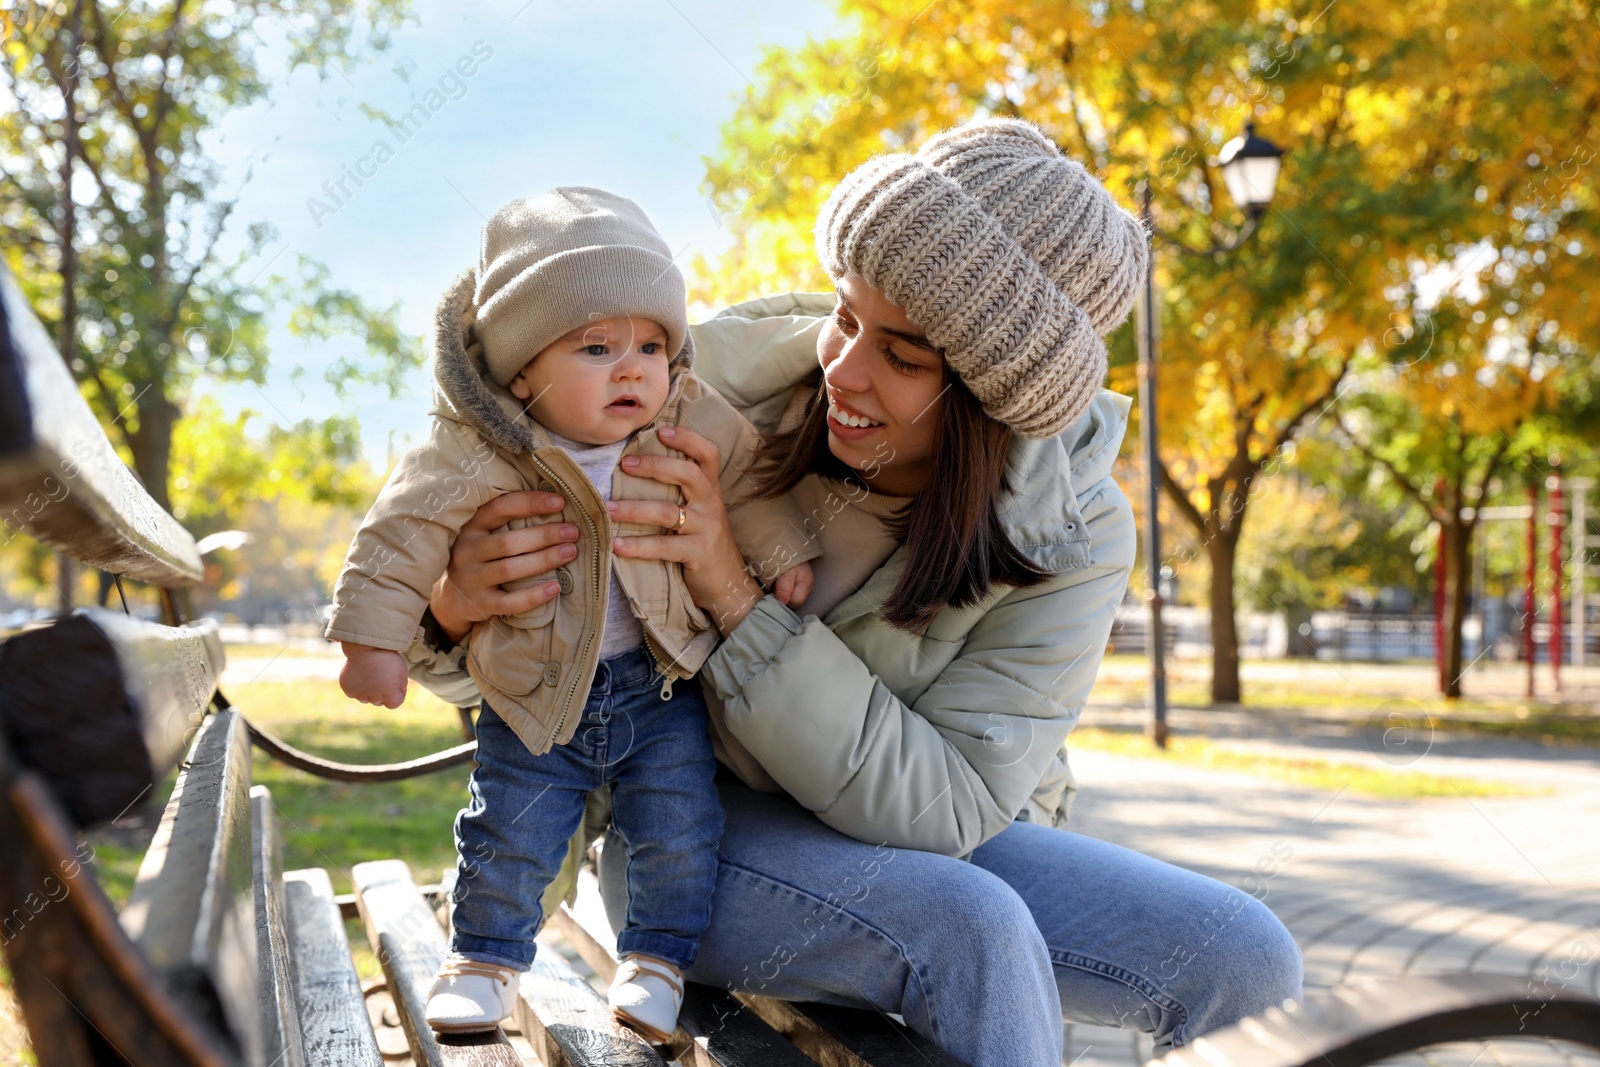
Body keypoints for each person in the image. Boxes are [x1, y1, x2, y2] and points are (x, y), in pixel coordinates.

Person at [404, 121, 1303, 1065]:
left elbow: (951, 805)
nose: (843, 365)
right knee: (973, 926)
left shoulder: (1071, 533)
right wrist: (451, 610)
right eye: (846, 313)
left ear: (993, 398)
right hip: (681, 834)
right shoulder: (691, 397)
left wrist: (734, 598)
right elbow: (547, 658)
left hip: (935, 841)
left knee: (1245, 958)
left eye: (904, 357)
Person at [326, 188, 818, 1040]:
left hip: (660, 690)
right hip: (534, 689)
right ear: (522, 370)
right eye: (597, 346)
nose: (633, 367)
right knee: (509, 829)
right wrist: (373, 641)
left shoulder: (687, 417)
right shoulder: (478, 448)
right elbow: (398, 535)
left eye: (651, 345)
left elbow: (750, 478)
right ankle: (482, 958)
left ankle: (656, 962)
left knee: (677, 826)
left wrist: (782, 559)